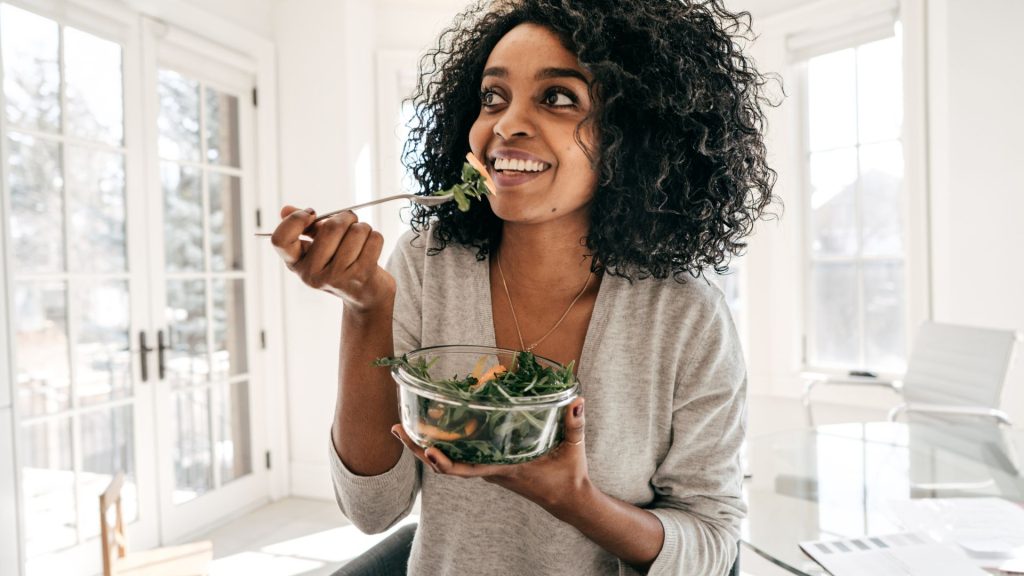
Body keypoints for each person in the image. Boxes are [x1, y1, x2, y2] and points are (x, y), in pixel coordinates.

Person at [271, 0, 776, 574]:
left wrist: (572, 498)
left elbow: (711, 548)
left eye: (558, 97)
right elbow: (372, 509)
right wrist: (366, 306)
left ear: (632, 135)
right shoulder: (428, 262)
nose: (505, 124)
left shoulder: (686, 316)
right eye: (492, 97)